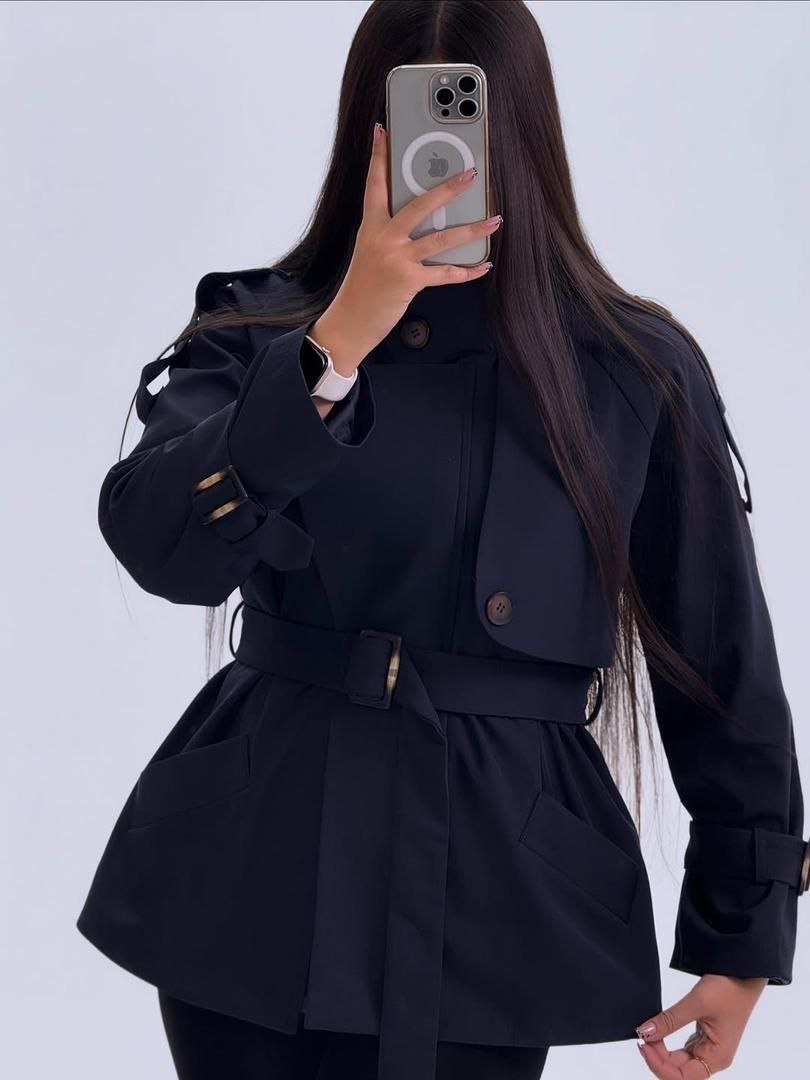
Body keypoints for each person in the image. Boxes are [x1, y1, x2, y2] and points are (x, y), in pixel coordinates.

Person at [76, 2, 808, 1078]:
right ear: (365, 136)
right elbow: (162, 547)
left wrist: (742, 939)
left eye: (466, 126)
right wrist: (335, 347)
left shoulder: (632, 371)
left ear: (520, 137)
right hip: (258, 878)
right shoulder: (261, 330)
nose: (442, 163)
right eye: (416, 125)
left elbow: (718, 663)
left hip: (497, 893)